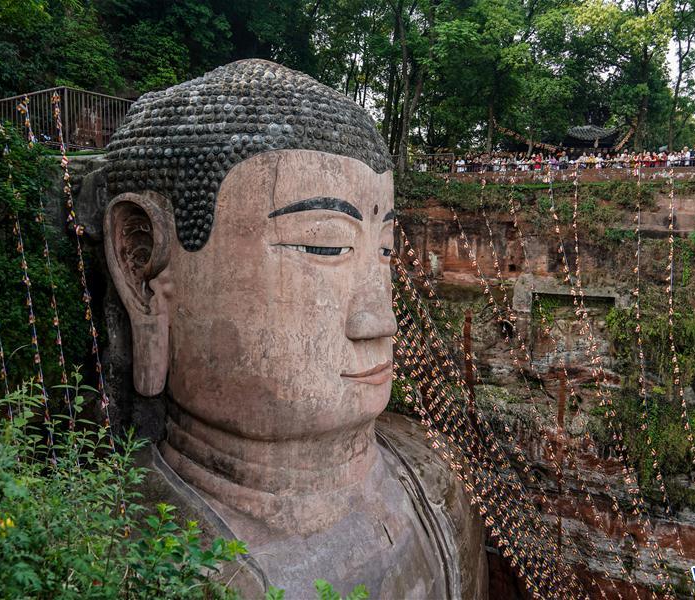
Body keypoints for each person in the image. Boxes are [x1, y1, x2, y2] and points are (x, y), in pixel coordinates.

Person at [101, 59, 487, 599]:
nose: (381, 319)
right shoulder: (121, 554)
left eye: (384, 251)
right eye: (325, 246)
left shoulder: (435, 477)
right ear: (143, 266)